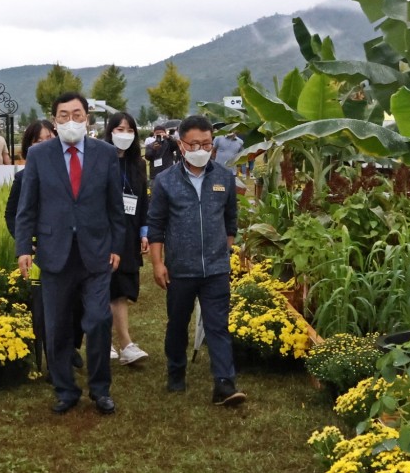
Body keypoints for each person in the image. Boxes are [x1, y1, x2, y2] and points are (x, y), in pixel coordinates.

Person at [15, 92, 126, 415]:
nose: (71, 121)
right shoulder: (39, 155)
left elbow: (114, 207)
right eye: (63, 115)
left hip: (96, 253)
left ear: (87, 118)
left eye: (77, 114)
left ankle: (100, 389)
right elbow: (27, 207)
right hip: (54, 253)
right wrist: (24, 247)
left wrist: (117, 245)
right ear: (54, 120)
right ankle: (65, 389)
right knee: (58, 325)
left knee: (98, 319)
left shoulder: (105, 154)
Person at [148, 114, 247, 407]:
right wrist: (157, 263)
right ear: (182, 144)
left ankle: (224, 384)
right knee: (178, 323)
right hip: (180, 268)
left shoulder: (223, 177)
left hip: (216, 268)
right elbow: (156, 226)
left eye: (207, 144)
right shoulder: (166, 181)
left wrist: (223, 251)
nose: (201, 149)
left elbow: (231, 222)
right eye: (195, 144)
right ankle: (176, 371)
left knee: (218, 324)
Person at [4, 119, 56, 371]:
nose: (45, 145)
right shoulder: (23, 177)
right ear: (29, 147)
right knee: (42, 306)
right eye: (38, 141)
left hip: (67, 248)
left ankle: (67, 348)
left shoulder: (68, 173)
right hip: (39, 251)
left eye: (50, 139)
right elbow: (12, 215)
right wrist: (25, 244)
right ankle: (49, 358)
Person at [103, 112, 150, 365]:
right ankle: (111, 341)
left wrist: (144, 231)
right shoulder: (100, 160)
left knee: (122, 289)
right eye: (119, 129)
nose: (125, 134)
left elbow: (143, 200)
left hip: (130, 233)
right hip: (105, 233)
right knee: (106, 287)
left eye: (130, 130)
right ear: (109, 131)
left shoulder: (138, 164)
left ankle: (124, 345)